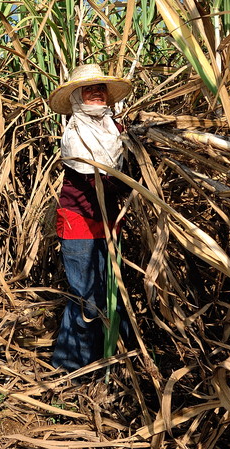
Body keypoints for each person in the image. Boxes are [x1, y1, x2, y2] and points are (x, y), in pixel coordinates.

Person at [47, 64, 133, 376]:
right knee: (86, 300)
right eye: (88, 88)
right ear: (76, 98)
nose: (97, 92)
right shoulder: (76, 134)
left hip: (109, 226)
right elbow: (102, 179)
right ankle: (68, 369)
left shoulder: (111, 128)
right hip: (79, 227)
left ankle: (115, 364)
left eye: (101, 88)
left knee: (113, 293)